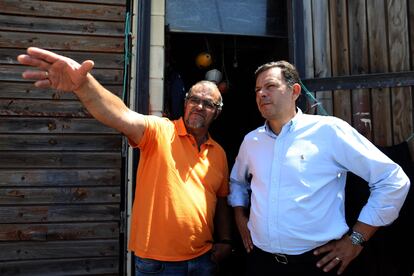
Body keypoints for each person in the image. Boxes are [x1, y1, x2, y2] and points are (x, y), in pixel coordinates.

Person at [17, 47, 233, 275]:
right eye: (195, 99)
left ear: (217, 113)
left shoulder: (218, 153)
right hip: (158, 264)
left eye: (209, 104)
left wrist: (226, 241)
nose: (200, 106)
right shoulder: (160, 130)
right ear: (185, 102)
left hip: (202, 260)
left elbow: (220, 202)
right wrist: (84, 85)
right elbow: (121, 115)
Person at [227, 60, 410, 275]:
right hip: (261, 262)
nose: (262, 94)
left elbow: (392, 179)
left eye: (270, 86)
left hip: (317, 263)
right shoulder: (252, 141)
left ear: (294, 91)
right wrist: (240, 216)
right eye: (258, 89)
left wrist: (357, 239)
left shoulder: (329, 131)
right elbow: (237, 183)